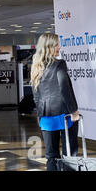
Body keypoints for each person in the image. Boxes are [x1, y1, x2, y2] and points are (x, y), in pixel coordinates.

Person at [31, 33, 80, 171]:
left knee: (51, 155)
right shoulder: (59, 64)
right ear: (49, 47)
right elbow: (65, 89)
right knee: (70, 154)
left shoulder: (36, 66)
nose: (60, 47)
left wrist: (40, 114)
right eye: (57, 44)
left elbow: (36, 94)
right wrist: (74, 111)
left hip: (46, 115)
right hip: (64, 113)